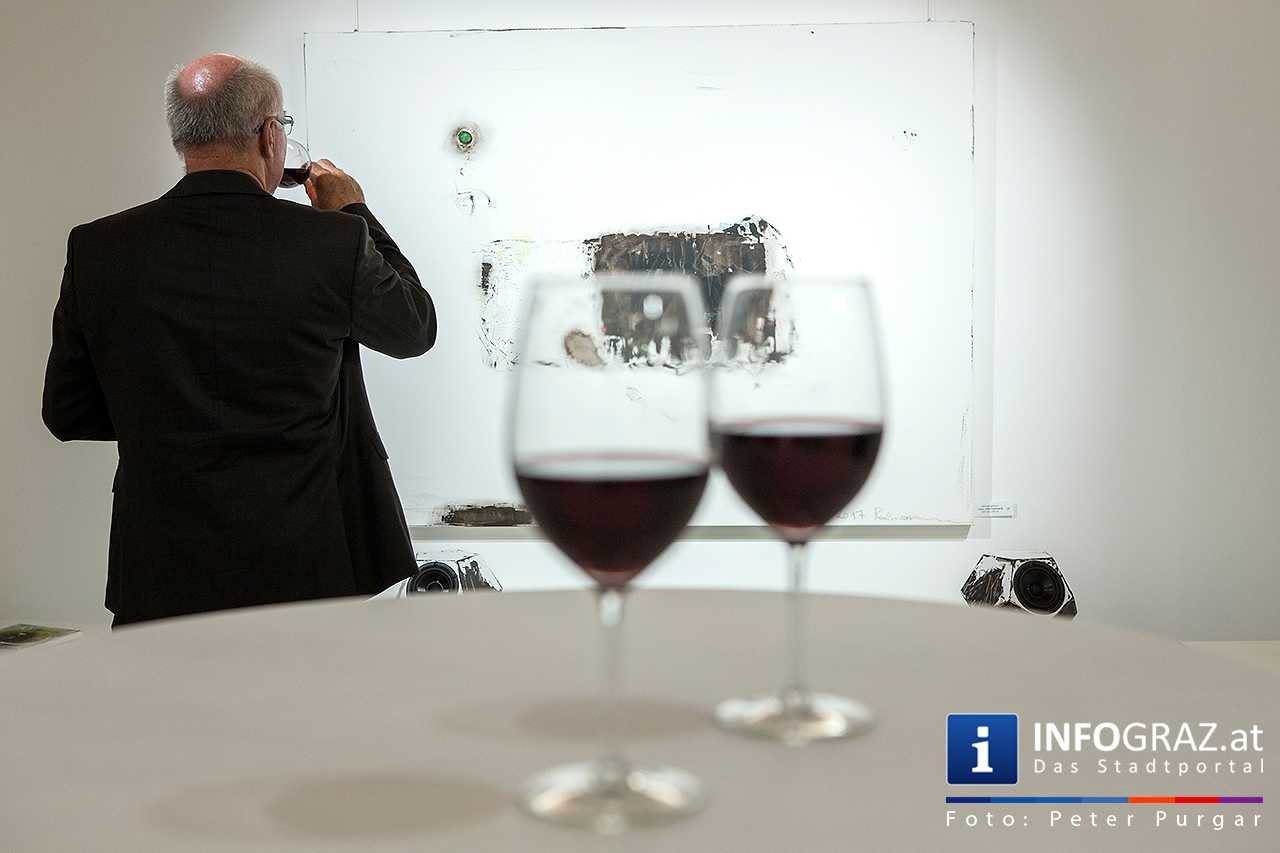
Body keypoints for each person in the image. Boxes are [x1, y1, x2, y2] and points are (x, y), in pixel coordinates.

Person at [41, 53, 436, 626]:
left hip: (159, 571)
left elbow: (68, 412)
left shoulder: (99, 249)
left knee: (163, 691)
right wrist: (355, 210)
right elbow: (414, 328)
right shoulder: (332, 242)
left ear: (182, 139)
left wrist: (172, 416)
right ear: (270, 136)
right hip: (305, 565)